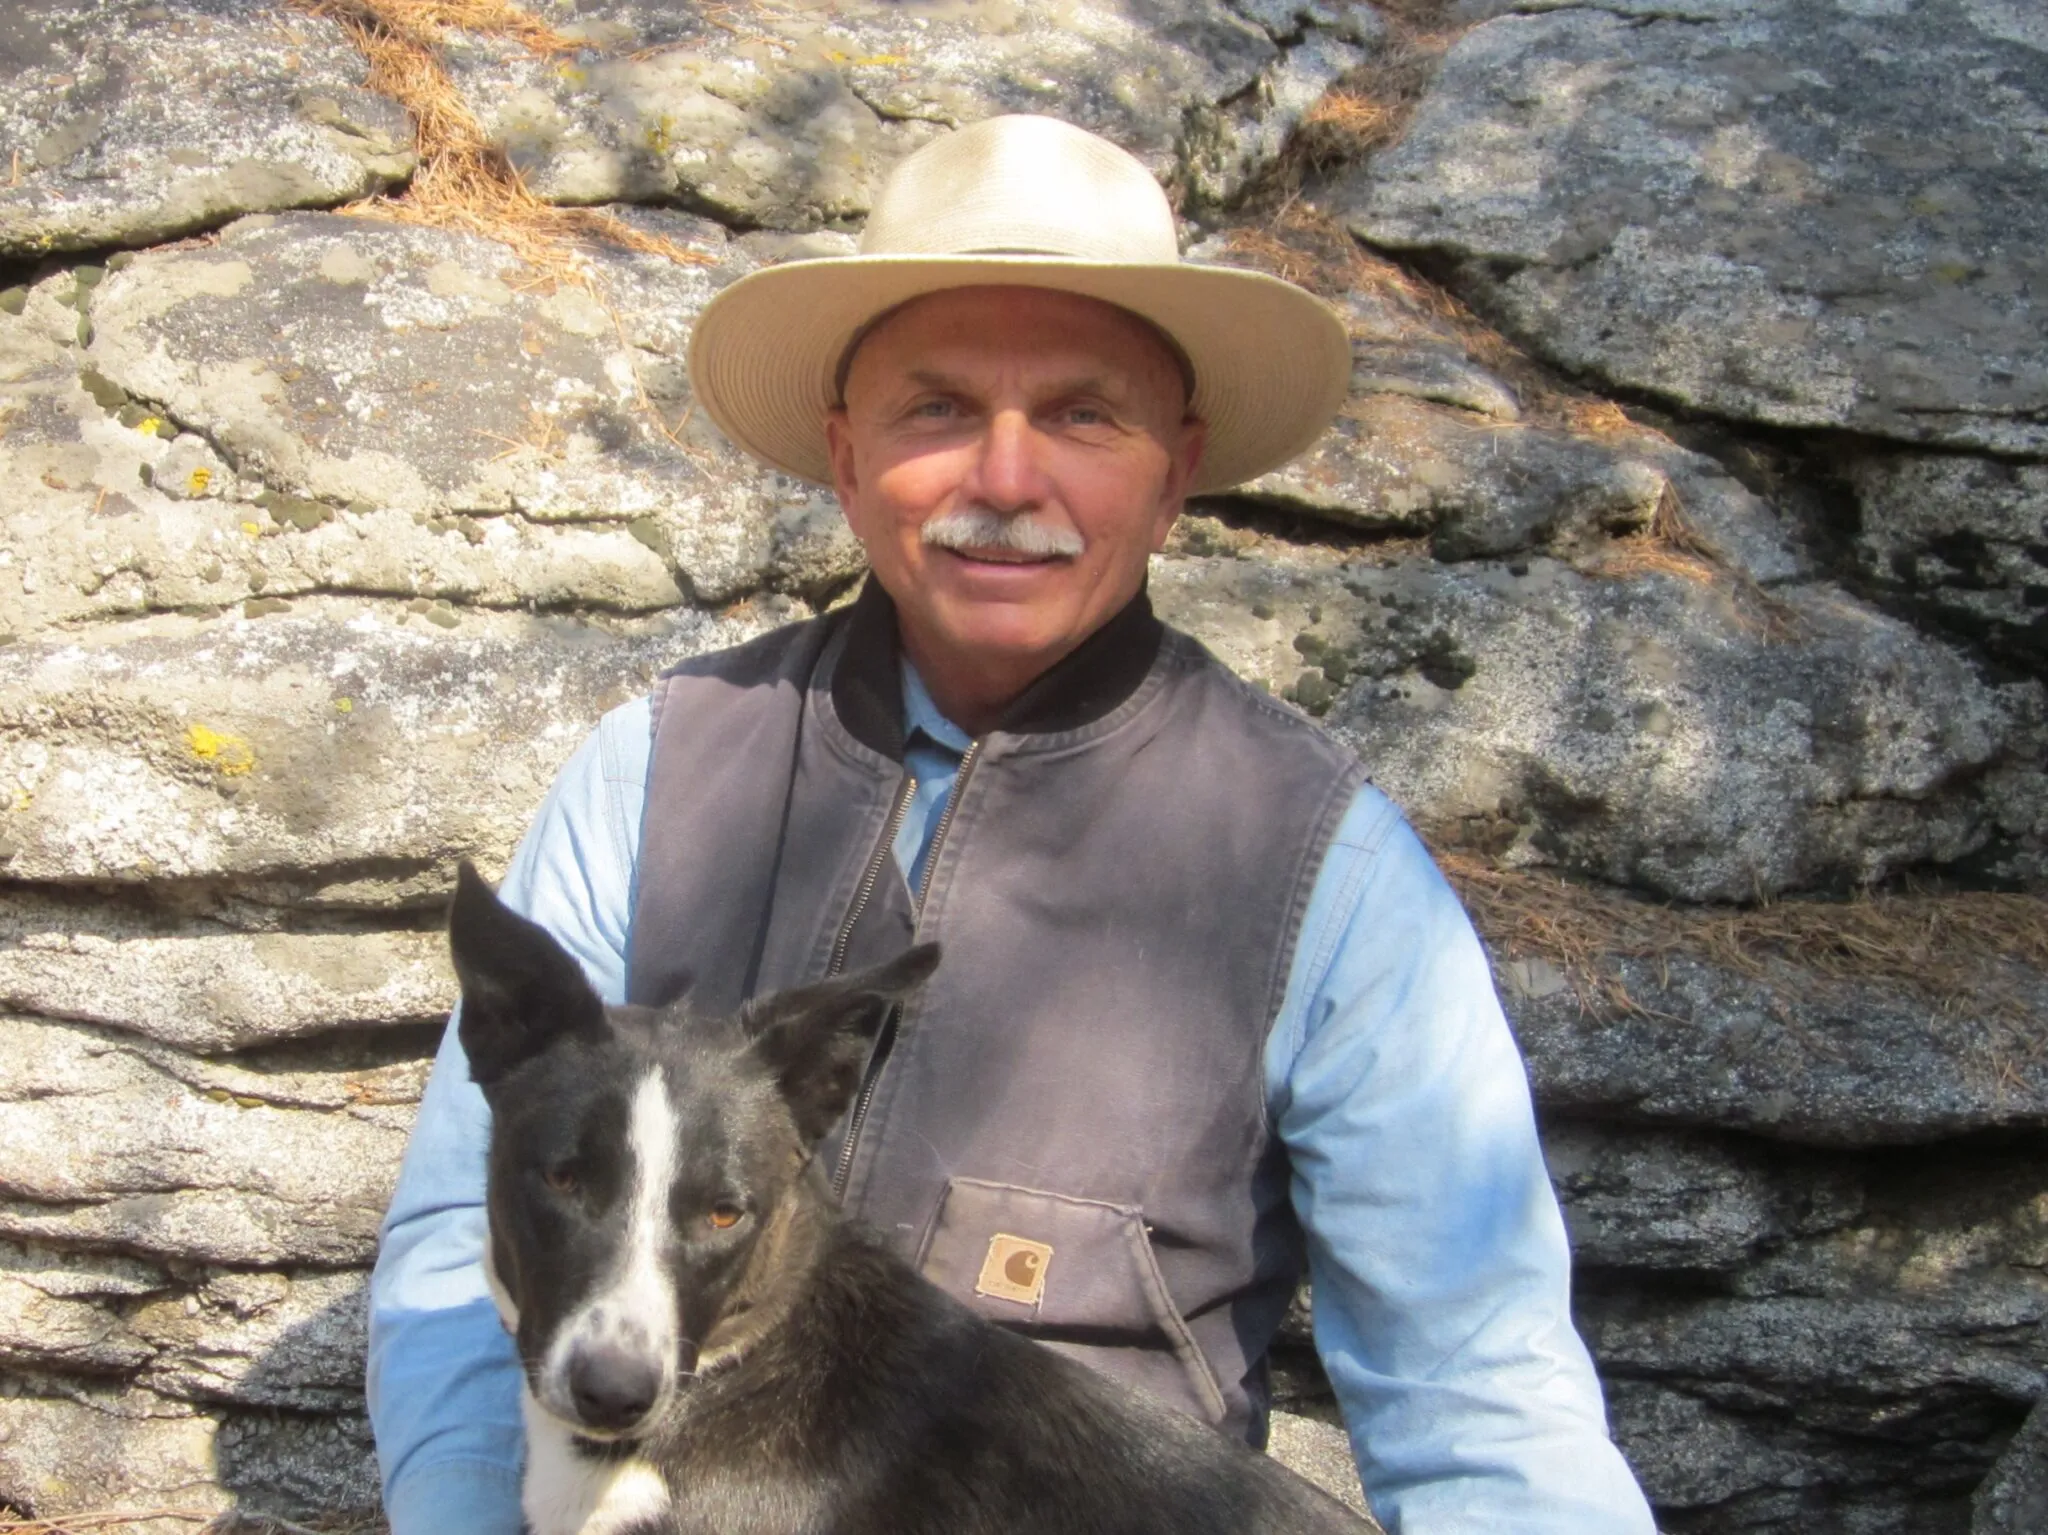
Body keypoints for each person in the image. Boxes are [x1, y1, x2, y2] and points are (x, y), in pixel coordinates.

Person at [367, 114, 1656, 1534]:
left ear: (1178, 472)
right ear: (847, 459)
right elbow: (452, 1252)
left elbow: (1482, 1391)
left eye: (1084, 416)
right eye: (936, 410)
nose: (1003, 478)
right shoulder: (657, 767)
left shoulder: (1323, 868)